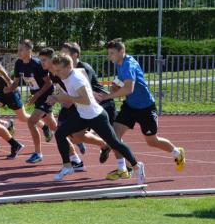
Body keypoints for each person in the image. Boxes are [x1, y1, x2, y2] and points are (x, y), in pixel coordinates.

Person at [47, 53, 144, 183]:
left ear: (67, 67)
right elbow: (79, 72)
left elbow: (86, 101)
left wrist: (67, 97)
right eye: (55, 70)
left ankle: (137, 166)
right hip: (82, 115)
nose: (56, 73)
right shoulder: (70, 72)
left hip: (96, 116)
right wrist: (54, 96)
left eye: (58, 70)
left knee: (114, 143)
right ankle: (67, 166)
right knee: (60, 133)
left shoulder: (76, 79)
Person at [95, 38, 185, 179]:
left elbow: (129, 89)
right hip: (130, 106)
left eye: (112, 53)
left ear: (121, 52)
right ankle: (122, 169)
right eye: (109, 53)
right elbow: (121, 80)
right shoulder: (119, 63)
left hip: (145, 107)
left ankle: (177, 152)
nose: (109, 56)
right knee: (114, 135)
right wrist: (115, 85)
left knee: (152, 141)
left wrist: (108, 96)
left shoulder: (129, 64)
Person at [4, 39, 55, 162]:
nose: (19, 52)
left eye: (21, 49)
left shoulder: (37, 64)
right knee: (53, 125)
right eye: (18, 49)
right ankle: (74, 138)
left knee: (31, 122)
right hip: (37, 96)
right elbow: (16, 82)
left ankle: (38, 154)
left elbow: (49, 83)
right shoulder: (19, 63)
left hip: (46, 95)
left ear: (29, 50)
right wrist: (8, 89)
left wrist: (36, 96)